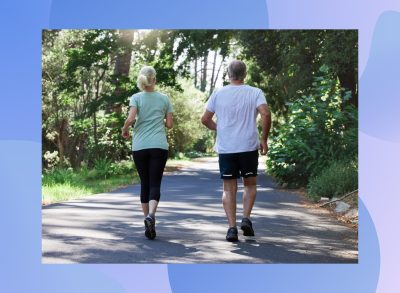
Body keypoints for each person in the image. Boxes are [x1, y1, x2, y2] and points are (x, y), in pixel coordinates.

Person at [201, 60, 272, 242]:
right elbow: (265, 113)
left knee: (229, 188)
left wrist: (220, 129)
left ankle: (232, 229)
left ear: (228, 74)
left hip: (227, 148)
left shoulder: (219, 93)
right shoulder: (255, 92)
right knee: (250, 184)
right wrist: (264, 139)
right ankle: (246, 218)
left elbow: (205, 119)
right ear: (245, 74)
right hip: (248, 146)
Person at [122, 66, 173, 240]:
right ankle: (151, 215)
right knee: (155, 183)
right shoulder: (164, 99)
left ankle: (147, 220)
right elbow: (169, 125)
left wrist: (125, 129)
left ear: (141, 79)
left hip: (140, 146)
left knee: (144, 183)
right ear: (155, 80)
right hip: (159, 145)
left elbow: (131, 118)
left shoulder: (136, 97)